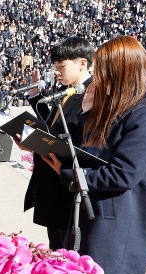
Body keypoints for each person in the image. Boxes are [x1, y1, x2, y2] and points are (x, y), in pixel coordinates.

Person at [42, 36, 146, 274]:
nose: (98, 81)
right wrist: (88, 113)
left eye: (104, 74)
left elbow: (124, 174)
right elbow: (91, 150)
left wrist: (69, 174)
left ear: (124, 72)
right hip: (96, 213)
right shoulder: (123, 103)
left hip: (117, 225)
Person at [15, 37, 94, 250]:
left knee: (66, 253)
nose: (57, 72)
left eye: (62, 66)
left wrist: (37, 143)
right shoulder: (68, 91)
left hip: (67, 188)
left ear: (82, 63)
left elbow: (77, 137)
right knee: (55, 247)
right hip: (52, 186)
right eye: (55, 67)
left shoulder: (92, 93)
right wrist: (35, 97)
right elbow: (56, 125)